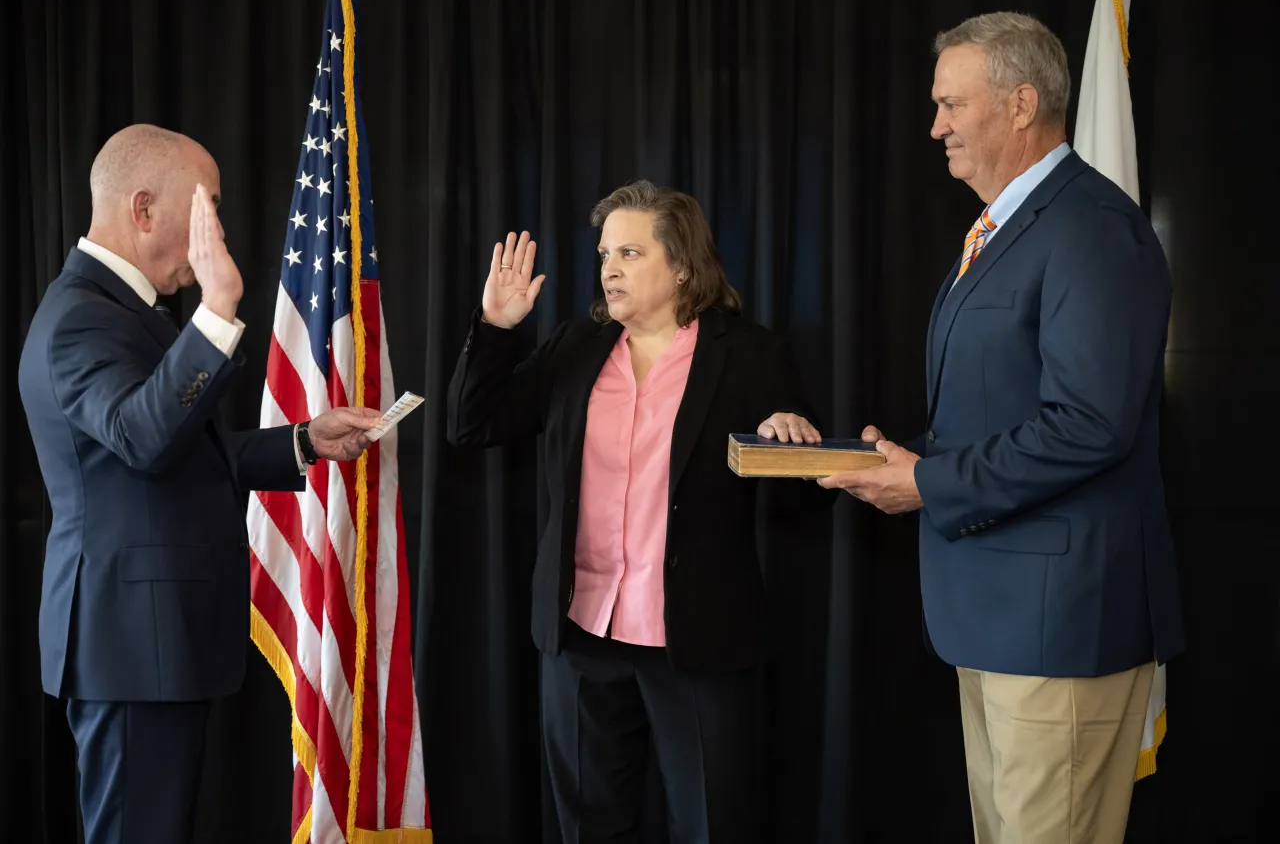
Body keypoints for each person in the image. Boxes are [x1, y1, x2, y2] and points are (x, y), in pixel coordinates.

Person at [817, 13, 1185, 844]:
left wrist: (928, 482)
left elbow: (1091, 424)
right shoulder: (1003, 229)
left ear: (1021, 105)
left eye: (951, 104)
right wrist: (911, 462)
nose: (935, 124)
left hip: (1061, 621)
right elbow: (1004, 407)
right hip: (996, 612)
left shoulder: (1090, 226)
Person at [17, 124, 381, 844]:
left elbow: (186, 450)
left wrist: (305, 441)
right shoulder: (77, 320)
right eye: (205, 209)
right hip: (129, 653)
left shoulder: (124, 313)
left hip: (157, 649)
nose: (215, 231)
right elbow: (144, 437)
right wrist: (217, 311)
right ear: (143, 209)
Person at [448, 180, 826, 843]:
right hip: (581, 634)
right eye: (603, 254)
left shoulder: (749, 355)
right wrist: (496, 328)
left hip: (699, 639)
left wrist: (790, 431)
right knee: (589, 827)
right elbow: (469, 426)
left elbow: (799, 488)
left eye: (629, 251)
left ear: (681, 264)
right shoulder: (575, 349)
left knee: (714, 825)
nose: (609, 268)